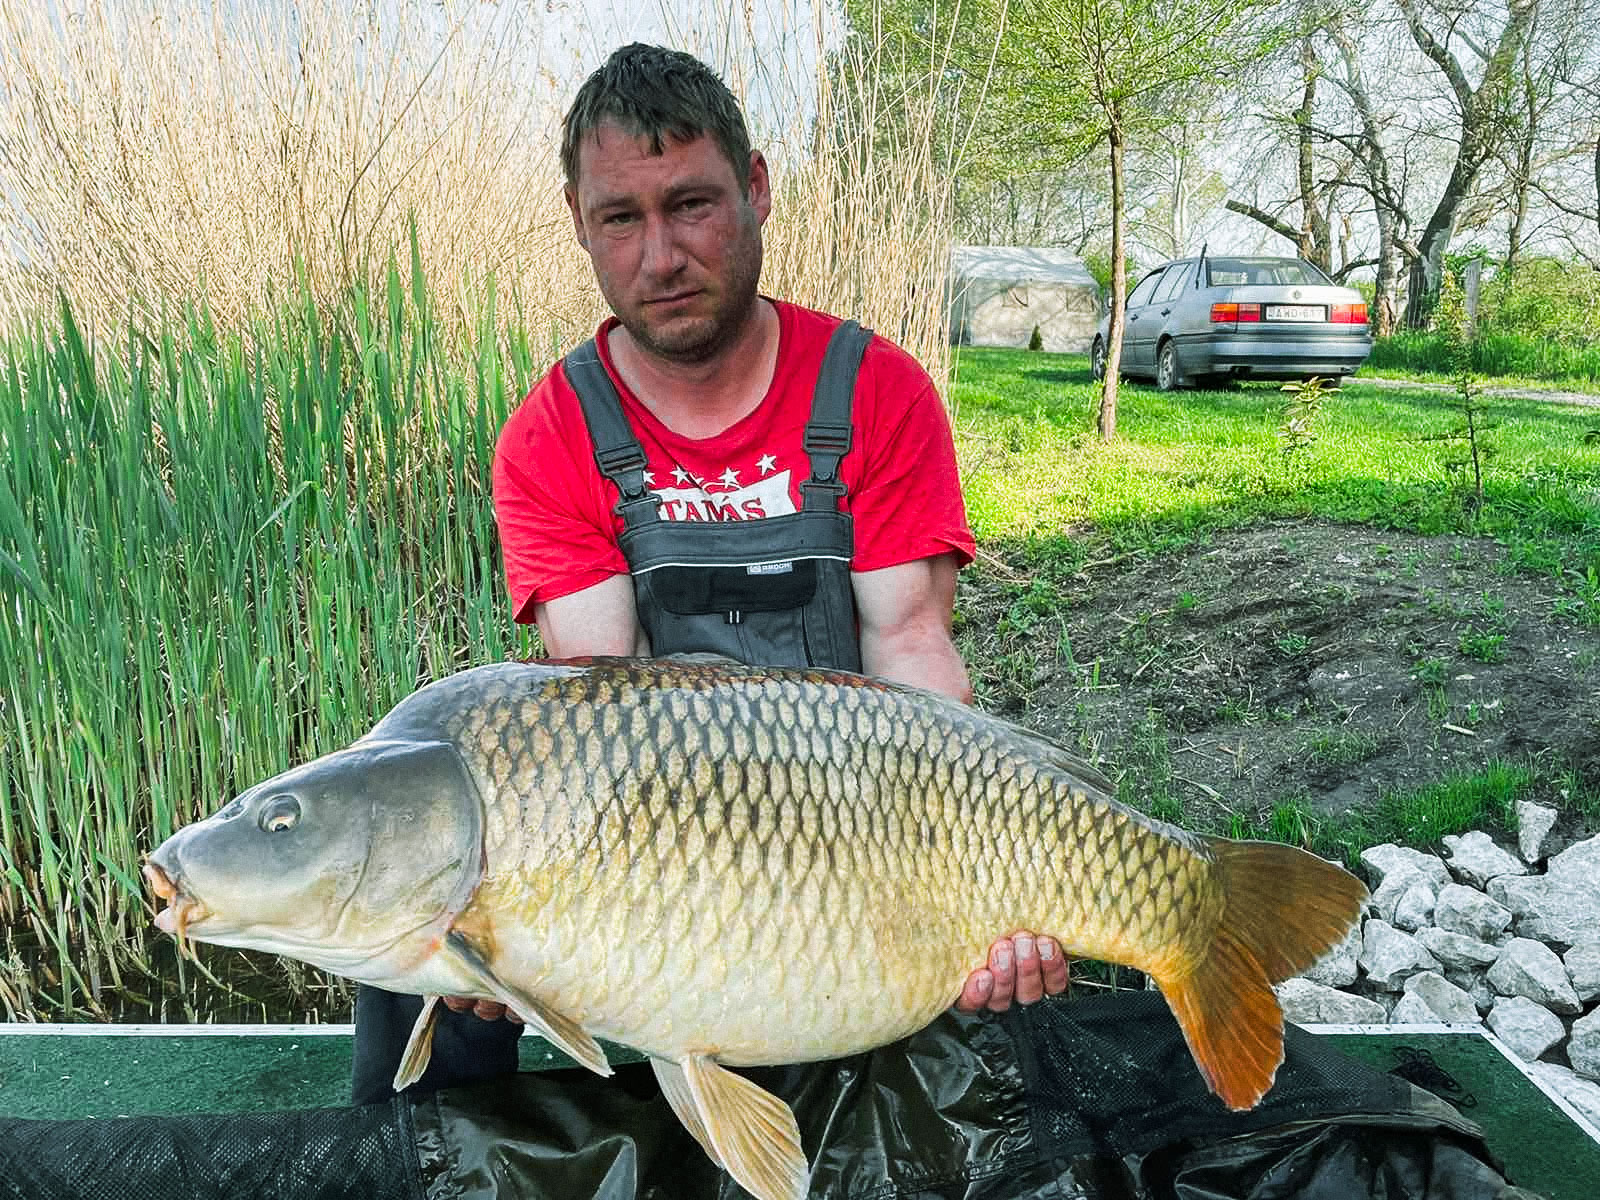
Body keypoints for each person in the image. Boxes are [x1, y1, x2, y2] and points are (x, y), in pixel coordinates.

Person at [349, 39, 1067, 1123]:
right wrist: (507, 937)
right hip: (663, 842)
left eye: (690, 205)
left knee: (1004, 1011)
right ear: (580, 223)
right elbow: (597, 713)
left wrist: (988, 873)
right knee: (418, 971)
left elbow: (914, 651)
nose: (659, 255)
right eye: (620, 220)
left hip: (866, 816)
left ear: (757, 189)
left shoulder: (874, 389)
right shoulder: (554, 434)